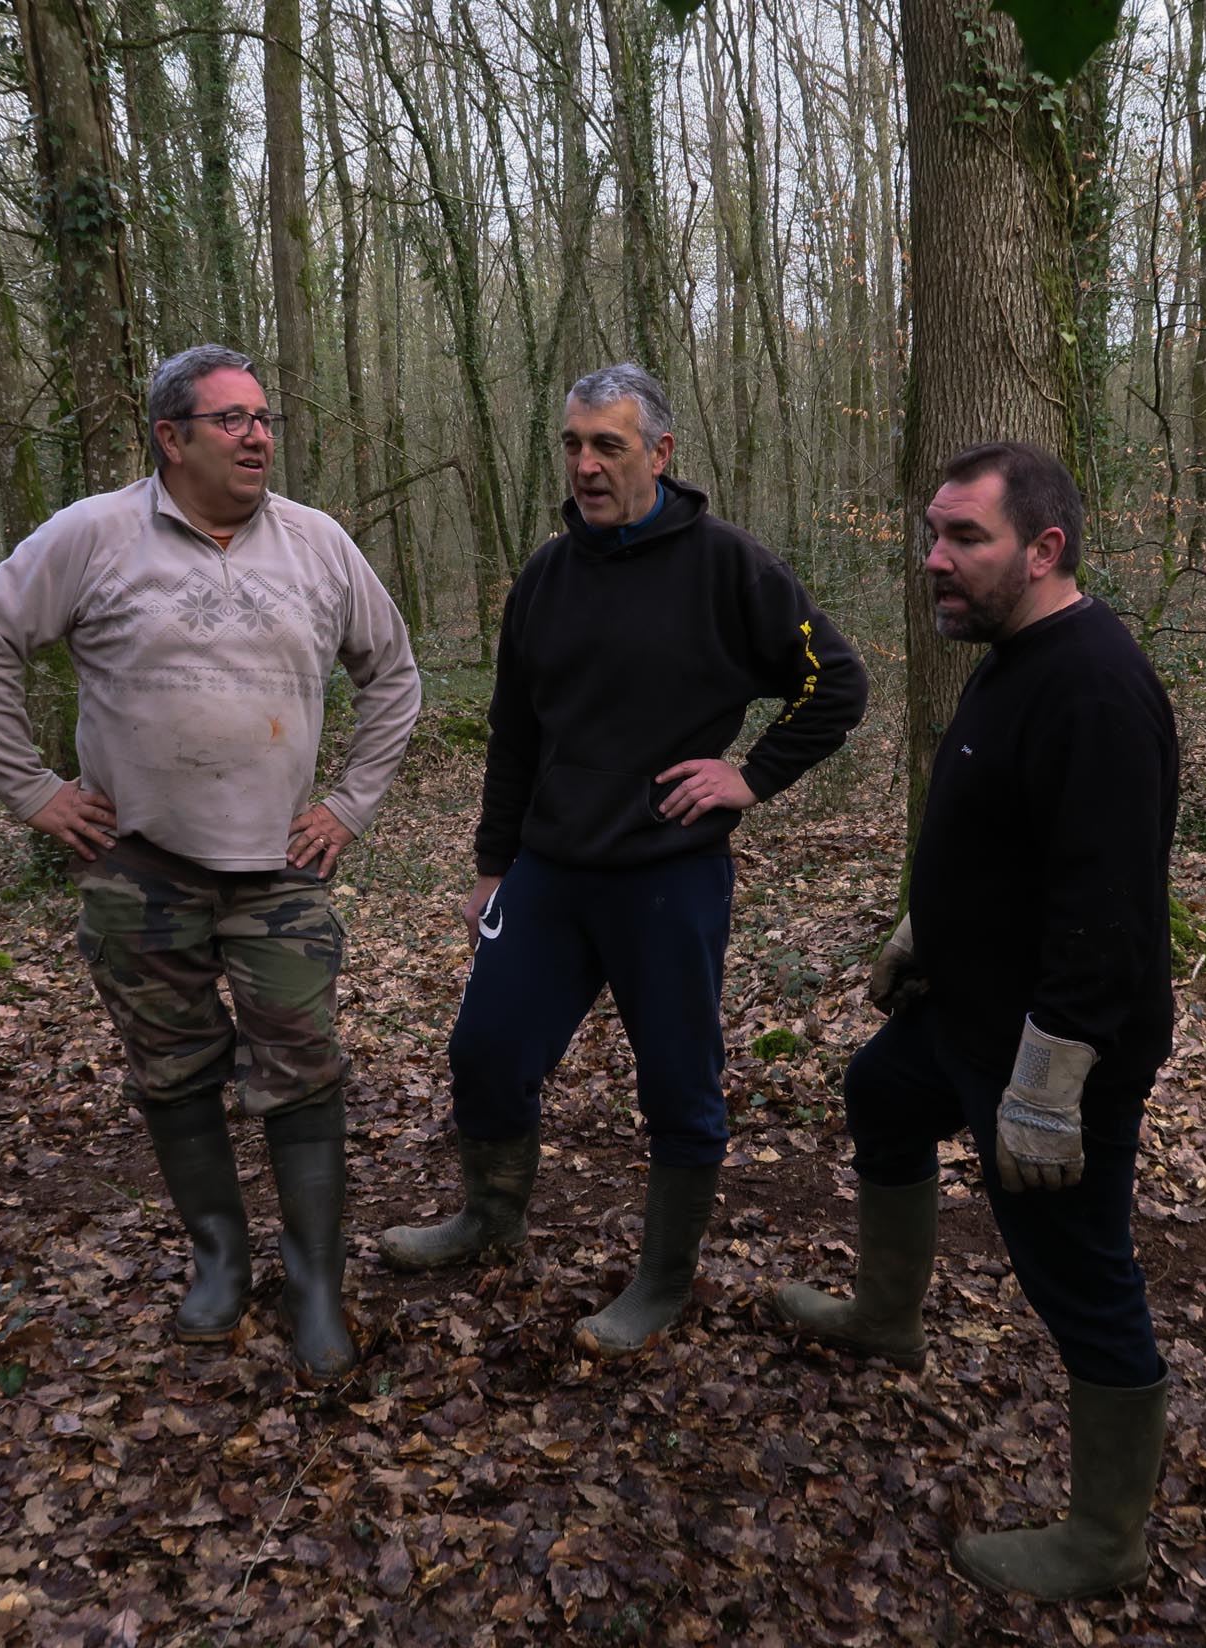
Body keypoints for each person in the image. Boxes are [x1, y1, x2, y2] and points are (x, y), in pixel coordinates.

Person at [0, 344, 419, 1378]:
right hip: (140, 865)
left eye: (262, 418)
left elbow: (395, 673)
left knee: (302, 1067)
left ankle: (316, 1281)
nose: (257, 436)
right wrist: (34, 790)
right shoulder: (92, 536)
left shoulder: (319, 545)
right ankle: (217, 1256)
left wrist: (350, 801)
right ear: (172, 436)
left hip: (283, 868)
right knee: (173, 1067)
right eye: (231, 420)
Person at [379, 363, 867, 1358]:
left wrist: (751, 778)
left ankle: (661, 1279)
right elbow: (515, 734)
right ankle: (490, 1215)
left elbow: (838, 683)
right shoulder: (547, 578)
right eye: (572, 444)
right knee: (487, 1052)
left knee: (679, 1083)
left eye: (608, 443)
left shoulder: (731, 568)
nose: (587, 463)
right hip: (551, 874)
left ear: (660, 451)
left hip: (667, 877)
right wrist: (491, 863)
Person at [771, 441, 1178, 1600]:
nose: (931, 561)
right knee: (879, 1093)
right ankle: (887, 1316)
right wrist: (924, 934)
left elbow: (1107, 907)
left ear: (1044, 549)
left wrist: (1050, 1086)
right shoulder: (1013, 654)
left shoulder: (1094, 687)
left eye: (964, 539)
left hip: (1050, 1052)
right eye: (932, 535)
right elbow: (1007, 835)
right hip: (967, 1015)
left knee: (1079, 1272)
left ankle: (1107, 1535)